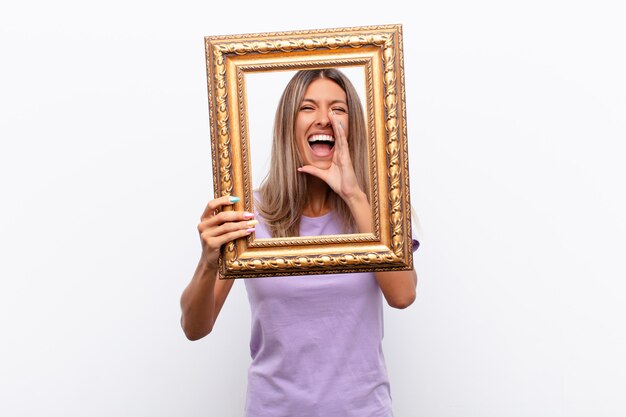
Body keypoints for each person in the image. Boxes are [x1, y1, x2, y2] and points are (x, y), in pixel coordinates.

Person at [180, 68, 418, 417]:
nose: (324, 118)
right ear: (288, 126)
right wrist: (207, 261)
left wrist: (353, 194)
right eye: (308, 108)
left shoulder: (377, 208)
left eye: (338, 109)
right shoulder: (251, 213)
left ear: (352, 126)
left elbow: (403, 295)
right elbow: (194, 327)